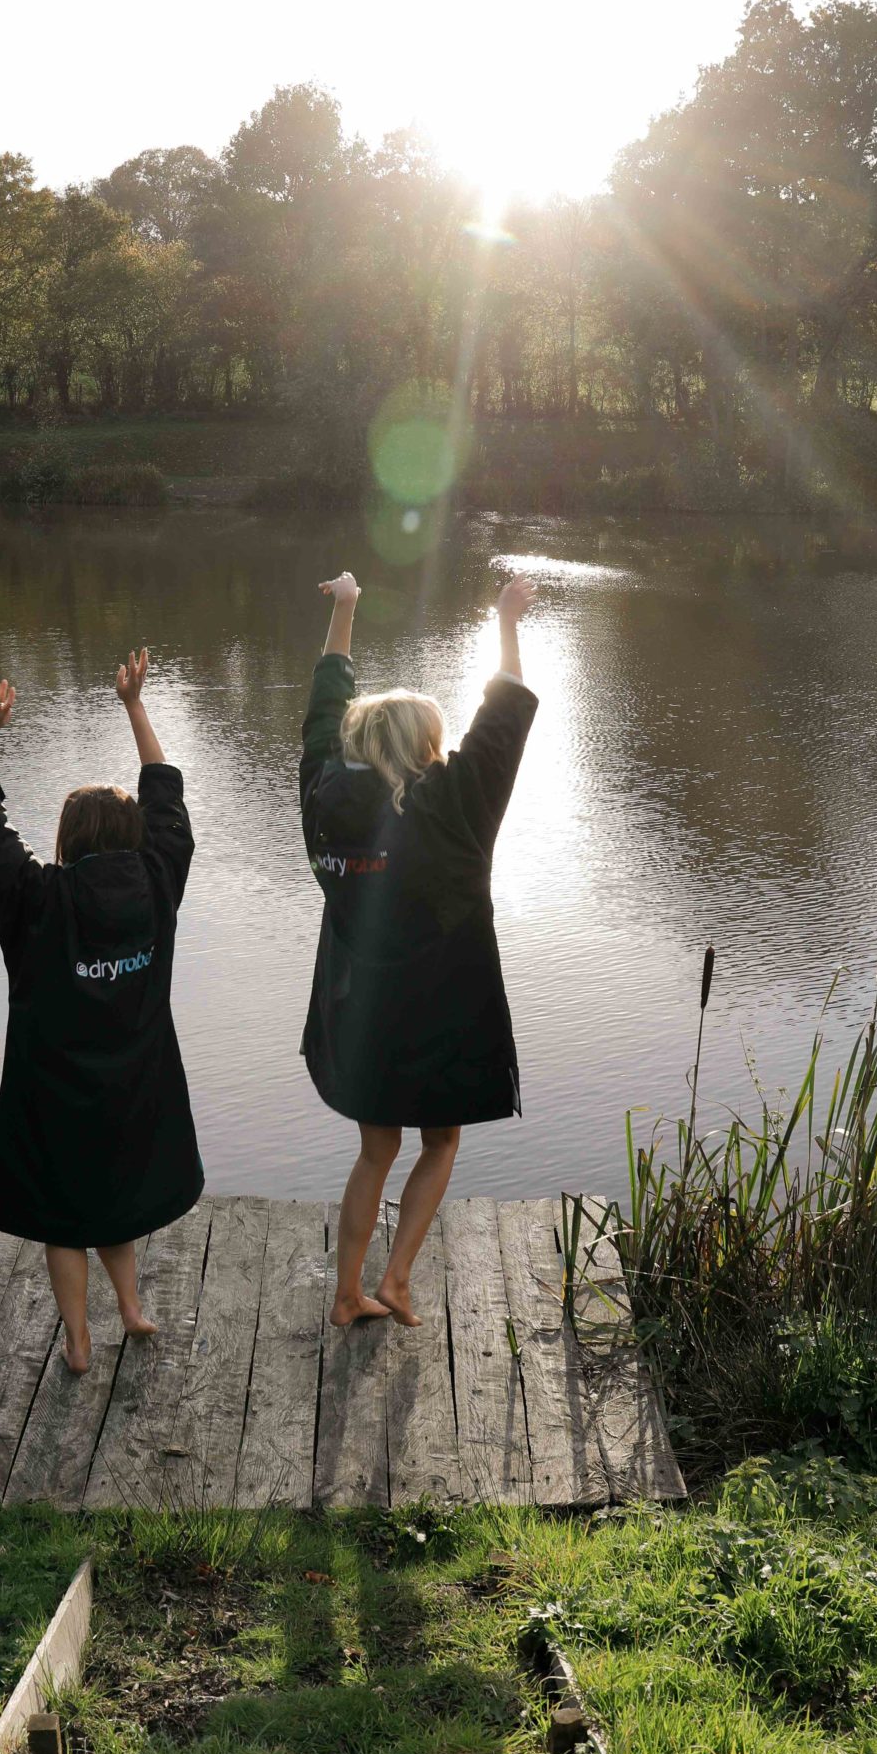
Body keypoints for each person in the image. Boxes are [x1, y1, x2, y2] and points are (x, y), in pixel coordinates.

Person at [0, 648, 203, 1374]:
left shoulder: (39, 902)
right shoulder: (159, 880)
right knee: (115, 1198)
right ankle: (129, 1310)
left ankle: (81, 1340)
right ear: (129, 840)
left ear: (68, 843)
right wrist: (133, 706)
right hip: (136, 1086)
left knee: (68, 1218)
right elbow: (165, 796)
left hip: (54, 1092)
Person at [298, 569, 537, 1328]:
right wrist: (505, 621)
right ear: (426, 745)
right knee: (440, 1139)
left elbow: (322, 709)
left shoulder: (323, 801)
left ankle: (347, 1294)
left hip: (360, 1012)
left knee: (376, 1150)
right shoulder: (456, 805)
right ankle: (396, 1279)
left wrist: (345, 608)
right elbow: (502, 722)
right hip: (441, 1014)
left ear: (361, 742)